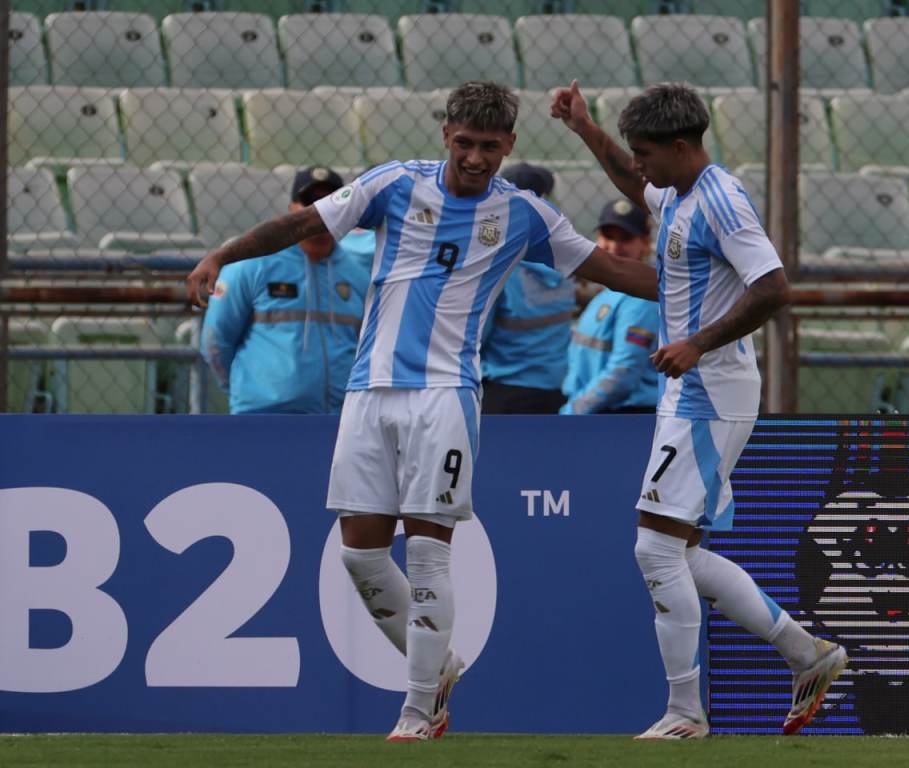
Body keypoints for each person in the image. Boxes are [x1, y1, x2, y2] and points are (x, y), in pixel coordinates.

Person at [186, 81, 658, 741]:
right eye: (464, 142)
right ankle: (436, 667)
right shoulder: (395, 186)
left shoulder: (523, 215)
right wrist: (222, 254)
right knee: (361, 559)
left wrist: (698, 285)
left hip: (447, 395)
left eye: (489, 147)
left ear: (509, 146)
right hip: (370, 390)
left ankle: (419, 710)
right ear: (446, 135)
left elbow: (611, 272)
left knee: (431, 554)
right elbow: (302, 224)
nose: (474, 157)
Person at [552, 80, 847, 738]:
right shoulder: (679, 191)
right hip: (692, 387)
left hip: (711, 386)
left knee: (654, 549)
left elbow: (774, 288)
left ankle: (687, 713)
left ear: (682, 147)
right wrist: (582, 125)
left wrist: (696, 342)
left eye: (647, 153)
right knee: (675, 550)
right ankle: (810, 655)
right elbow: (632, 183)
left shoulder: (722, 203)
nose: (639, 165)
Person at [200, 166, 374, 414]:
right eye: (310, 204)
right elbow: (215, 341)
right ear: (292, 210)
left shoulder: (356, 276)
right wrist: (246, 391)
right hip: (262, 417)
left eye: (329, 205)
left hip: (338, 421)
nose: (320, 215)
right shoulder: (253, 265)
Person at [479, 162, 575, 414]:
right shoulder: (565, 267)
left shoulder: (501, 268)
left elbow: (477, 335)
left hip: (504, 391)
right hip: (555, 390)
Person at [560, 198, 659, 415]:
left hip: (622, 416)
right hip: (597, 411)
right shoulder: (609, 292)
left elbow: (624, 372)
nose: (614, 247)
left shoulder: (641, 298)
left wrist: (573, 411)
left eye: (626, 239)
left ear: (645, 242)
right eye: (608, 237)